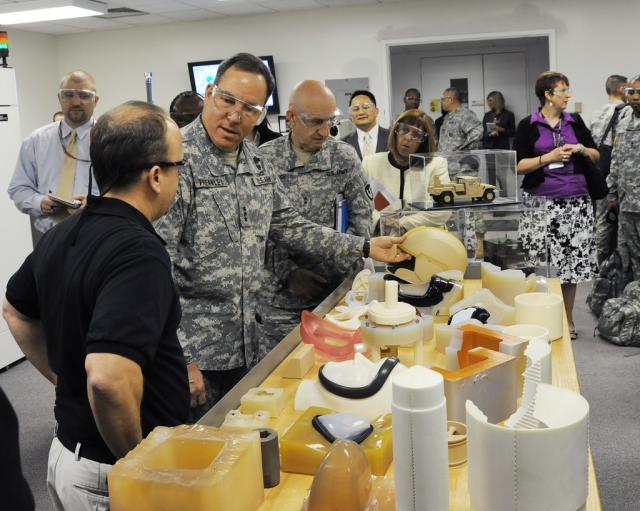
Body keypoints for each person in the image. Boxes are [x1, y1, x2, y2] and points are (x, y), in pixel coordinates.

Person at [154, 53, 409, 413]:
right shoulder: (175, 160)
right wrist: (182, 356)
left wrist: (366, 245)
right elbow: (155, 265)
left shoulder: (254, 161)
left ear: (260, 114)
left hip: (250, 342)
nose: (234, 116)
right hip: (198, 355)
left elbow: (289, 225)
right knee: (198, 454)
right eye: (227, 100)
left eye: (250, 108)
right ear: (210, 93)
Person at [2, 100, 190, 510]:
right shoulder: (138, 252)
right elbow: (107, 378)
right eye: (180, 166)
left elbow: (15, 309)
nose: (180, 176)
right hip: (112, 477)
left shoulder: (65, 232)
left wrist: (62, 374)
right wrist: (140, 464)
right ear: (156, 175)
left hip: (72, 454)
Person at [258, 81, 371, 349]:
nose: (324, 131)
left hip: (338, 298)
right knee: (284, 377)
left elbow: (362, 220)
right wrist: (289, 273)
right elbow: (255, 232)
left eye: (330, 121)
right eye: (315, 122)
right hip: (281, 305)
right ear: (291, 117)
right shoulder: (263, 161)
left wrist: (335, 271)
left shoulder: (343, 157)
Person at [514, 71, 599, 340]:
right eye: (563, 91)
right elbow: (518, 166)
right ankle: (538, 317)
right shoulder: (528, 125)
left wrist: (581, 149)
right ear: (548, 95)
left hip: (575, 204)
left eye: (567, 90)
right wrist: (547, 157)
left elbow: (596, 154)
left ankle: (567, 320)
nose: (568, 95)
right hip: (539, 203)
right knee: (538, 262)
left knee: (570, 266)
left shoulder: (575, 121)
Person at [8, 71, 100, 245]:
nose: (75, 101)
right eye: (68, 94)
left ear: (96, 100)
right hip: (47, 237)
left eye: (84, 95)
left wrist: (95, 203)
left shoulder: (110, 139)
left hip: (95, 235)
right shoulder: (36, 140)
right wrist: (39, 202)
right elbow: (18, 188)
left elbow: (127, 189)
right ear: (59, 98)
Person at [362, 109, 451, 234]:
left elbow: (444, 210)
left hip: (425, 239)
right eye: (404, 130)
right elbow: (361, 206)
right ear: (395, 132)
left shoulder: (435, 164)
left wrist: (404, 224)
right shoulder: (370, 163)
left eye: (416, 134)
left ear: (424, 140)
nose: (408, 137)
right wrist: (380, 220)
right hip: (383, 238)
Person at [589, 74, 629, 264]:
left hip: (599, 172)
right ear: (622, 89)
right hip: (619, 173)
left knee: (603, 220)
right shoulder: (625, 112)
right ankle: (621, 264)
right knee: (623, 221)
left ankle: (601, 264)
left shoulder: (596, 113)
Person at [607, 75, 640, 279]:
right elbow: (615, 158)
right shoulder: (624, 118)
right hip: (627, 203)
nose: (635, 97)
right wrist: (611, 194)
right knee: (632, 256)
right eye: (632, 92)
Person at [343, 90, 390, 160]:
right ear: (350, 116)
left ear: (376, 111)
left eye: (365, 107)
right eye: (356, 109)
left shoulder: (393, 137)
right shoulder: (343, 144)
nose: (361, 112)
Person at [437, 87, 483, 153]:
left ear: (450, 99)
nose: (441, 102)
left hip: (459, 161)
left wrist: (460, 152)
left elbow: (477, 135)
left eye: (443, 99)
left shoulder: (465, 114)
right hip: (446, 161)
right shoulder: (447, 116)